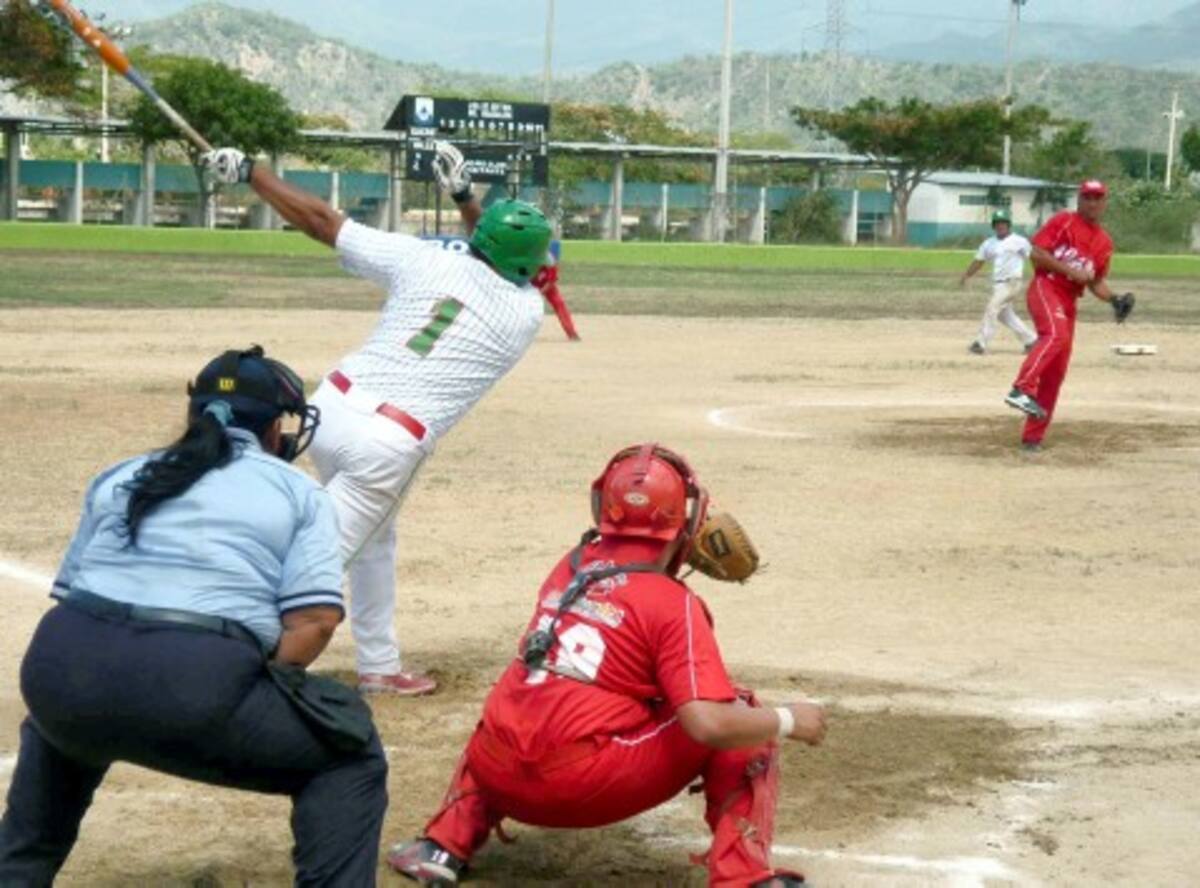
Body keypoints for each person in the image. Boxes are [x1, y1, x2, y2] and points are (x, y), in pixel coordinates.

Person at [0, 346, 389, 886]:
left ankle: (15, 875)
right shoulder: (299, 491)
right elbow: (315, 622)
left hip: (61, 668)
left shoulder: (123, 473)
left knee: (66, 720)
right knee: (351, 756)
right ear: (276, 427)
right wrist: (245, 680)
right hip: (192, 682)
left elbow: (74, 592)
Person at [202, 142, 555, 695]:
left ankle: (379, 663)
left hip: (333, 408)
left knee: (375, 540)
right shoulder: (526, 311)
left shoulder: (424, 257)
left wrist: (252, 173)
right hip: (387, 441)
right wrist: (465, 197)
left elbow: (322, 221)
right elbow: (500, 256)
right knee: (317, 562)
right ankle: (225, 660)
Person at [387, 443, 826, 888]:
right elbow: (708, 724)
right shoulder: (673, 604)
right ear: (686, 522)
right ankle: (744, 877)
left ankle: (442, 845)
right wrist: (789, 720)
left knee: (524, 698)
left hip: (495, 771)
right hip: (581, 787)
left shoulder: (570, 567)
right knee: (740, 712)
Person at [1003, 180, 1130, 451]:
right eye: (1087, 197)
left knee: (1056, 372)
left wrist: (1114, 299)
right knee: (1055, 335)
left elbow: (1095, 282)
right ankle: (1022, 387)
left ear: (1105, 202)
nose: (1093, 203)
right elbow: (1036, 253)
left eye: (1098, 198)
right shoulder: (1064, 221)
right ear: (1079, 199)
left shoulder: (1104, 242)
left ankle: (1033, 438)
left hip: (1069, 301)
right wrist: (1071, 272)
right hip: (1046, 287)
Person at [959, 209, 1037, 356]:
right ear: (993, 226)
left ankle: (980, 344)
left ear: (1009, 225)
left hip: (1012, 282)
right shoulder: (989, 243)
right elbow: (979, 261)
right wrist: (967, 275)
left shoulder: (1019, 241)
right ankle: (1031, 340)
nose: (1000, 226)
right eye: (997, 223)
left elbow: (1033, 257)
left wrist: (1040, 275)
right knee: (1005, 316)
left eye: (1003, 223)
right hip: (998, 285)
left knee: (992, 308)